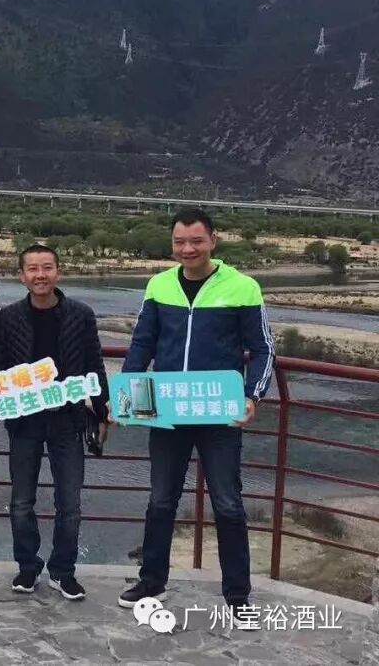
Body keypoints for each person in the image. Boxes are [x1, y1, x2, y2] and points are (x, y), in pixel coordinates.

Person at [117, 207, 274, 623]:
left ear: (212, 241)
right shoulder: (159, 285)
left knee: (228, 504)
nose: (187, 249)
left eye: (196, 241)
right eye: (180, 242)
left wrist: (252, 396)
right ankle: (152, 581)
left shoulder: (243, 287)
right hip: (167, 409)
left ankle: (238, 597)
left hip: (218, 412)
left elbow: (262, 349)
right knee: (160, 500)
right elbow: (142, 344)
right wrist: (126, 395)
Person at [0, 244, 108, 601]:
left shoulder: (81, 314)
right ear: (21, 276)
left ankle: (63, 572)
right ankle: (27, 568)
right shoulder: (8, 317)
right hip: (24, 421)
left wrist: (102, 413)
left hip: (68, 420)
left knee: (69, 503)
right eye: (32, 269)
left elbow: (94, 364)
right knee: (21, 502)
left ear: (58, 271)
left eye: (47, 267)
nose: (40, 275)